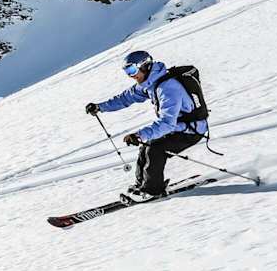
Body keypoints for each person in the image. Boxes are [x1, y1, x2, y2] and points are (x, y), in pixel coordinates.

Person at [84, 50, 208, 202]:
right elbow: (126, 98)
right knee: (146, 146)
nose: (130, 75)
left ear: (145, 67)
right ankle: (141, 185)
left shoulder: (167, 88)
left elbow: (167, 123)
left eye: (132, 70)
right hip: (177, 127)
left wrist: (139, 135)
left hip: (192, 130)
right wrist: (100, 107)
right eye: (126, 71)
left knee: (155, 149)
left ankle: (152, 190)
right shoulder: (150, 83)